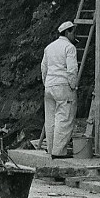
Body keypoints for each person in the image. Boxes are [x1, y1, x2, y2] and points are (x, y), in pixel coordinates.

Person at [41, 21, 79, 159]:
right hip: (63, 86)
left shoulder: (49, 47)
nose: (75, 35)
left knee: (50, 120)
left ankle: (51, 149)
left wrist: (46, 83)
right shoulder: (69, 47)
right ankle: (59, 152)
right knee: (65, 118)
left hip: (49, 86)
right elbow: (72, 70)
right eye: (73, 32)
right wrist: (73, 86)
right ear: (67, 32)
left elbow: (43, 68)